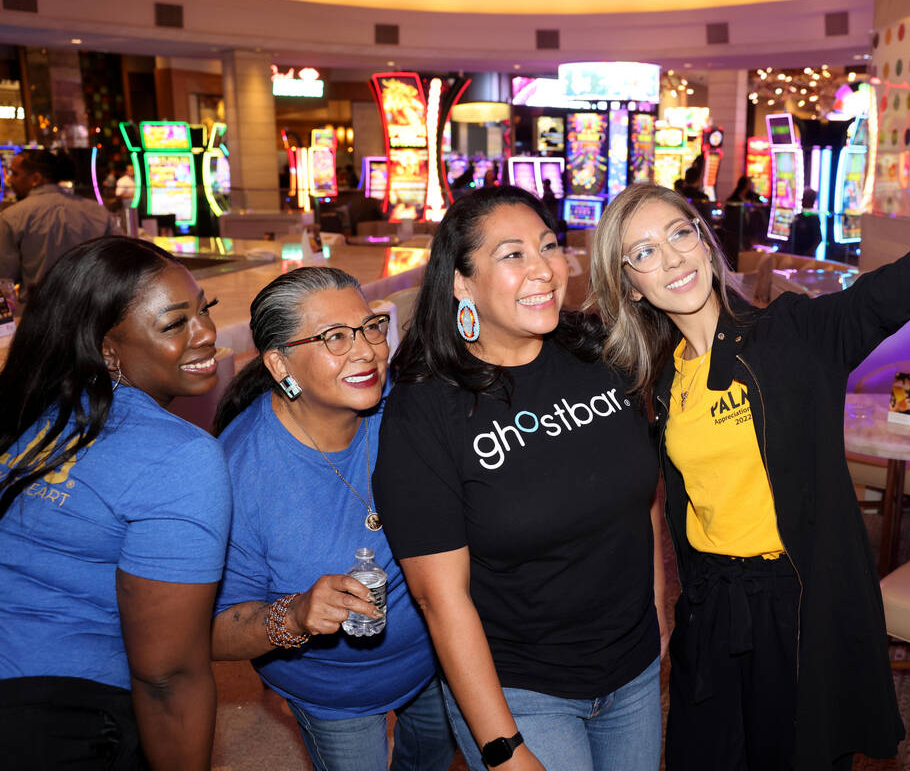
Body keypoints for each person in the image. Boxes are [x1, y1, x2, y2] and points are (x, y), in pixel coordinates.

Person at [587, 143, 910, 770]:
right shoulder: (660, 380)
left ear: (704, 239)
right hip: (711, 606)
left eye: (678, 233)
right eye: (643, 252)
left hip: (796, 603)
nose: (670, 258)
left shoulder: (795, 334)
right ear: (631, 286)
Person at [375, 185, 665, 771]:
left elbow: (644, 504)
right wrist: (501, 747)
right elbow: (439, 596)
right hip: (522, 690)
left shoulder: (600, 354)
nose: (545, 269)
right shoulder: (426, 409)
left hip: (633, 669)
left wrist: (659, 624)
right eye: (513, 255)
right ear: (461, 282)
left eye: (550, 246)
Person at [0, 235, 232, 769]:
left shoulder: (26, 404)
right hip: (55, 716)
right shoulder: (180, 457)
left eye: (206, 310)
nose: (208, 334)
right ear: (108, 350)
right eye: (175, 324)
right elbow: (166, 675)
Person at [211, 266, 454, 771]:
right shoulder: (238, 472)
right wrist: (295, 614)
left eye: (370, 327)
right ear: (280, 363)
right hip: (334, 692)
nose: (365, 350)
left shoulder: (408, 408)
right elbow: (211, 631)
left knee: (430, 758)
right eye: (334, 338)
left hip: (436, 655)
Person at [0, 150, 116, 300]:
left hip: (39, 312)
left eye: (15, 174)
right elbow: (118, 261)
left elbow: (4, 276)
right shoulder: (97, 211)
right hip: (92, 309)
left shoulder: (12, 216)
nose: (10, 180)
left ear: (36, 178)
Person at [791, 188, 822, 256]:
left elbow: (818, 239)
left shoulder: (814, 218)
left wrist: (809, 252)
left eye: (804, 198)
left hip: (805, 255)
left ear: (811, 201)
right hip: (794, 253)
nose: (802, 201)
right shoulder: (798, 216)